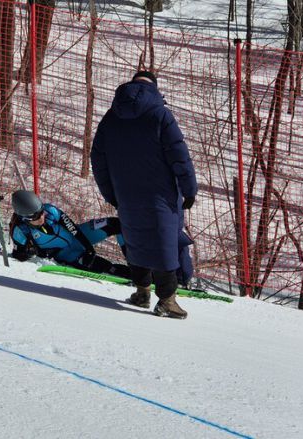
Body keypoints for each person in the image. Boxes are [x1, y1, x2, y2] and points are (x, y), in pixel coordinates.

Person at [91, 70, 198, 319]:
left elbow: (98, 159)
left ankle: (141, 292)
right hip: (161, 194)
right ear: (154, 88)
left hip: (126, 194)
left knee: (136, 240)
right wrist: (189, 189)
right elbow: (179, 155)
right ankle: (167, 301)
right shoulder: (160, 114)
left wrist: (111, 193)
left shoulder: (111, 117)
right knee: (165, 243)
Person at [9, 190, 131, 279]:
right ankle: (137, 277)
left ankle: (137, 264)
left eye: (41, 212)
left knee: (116, 224)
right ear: (26, 218)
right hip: (68, 255)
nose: (42, 216)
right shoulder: (20, 231)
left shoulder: (50, 211)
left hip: (79, 237)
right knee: (107, 268)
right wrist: (29, 253)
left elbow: (72, 229)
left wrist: (89, 248)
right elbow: (18, 255)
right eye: (36, 216)